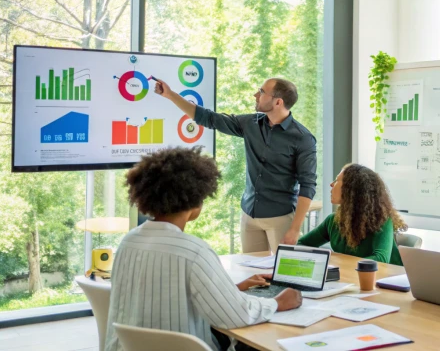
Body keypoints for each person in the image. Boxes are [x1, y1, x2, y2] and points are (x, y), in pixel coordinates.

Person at [104, 147, 302, 351]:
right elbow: (236, 315)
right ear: (196, 201)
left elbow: (163, 295)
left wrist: (230, 290)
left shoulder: (129, 241)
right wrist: (277, 302)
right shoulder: (194, 251)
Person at [155, 77, 317, 253]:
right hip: (249, 215)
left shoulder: (302, 138)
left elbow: (307, 186)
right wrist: (170, 95)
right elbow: (209, 118)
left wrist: (294, 229)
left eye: (262, 92)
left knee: (285, 276)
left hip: (281, 218)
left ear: (278, 102)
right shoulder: (250, 124)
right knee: (252, 273)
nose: (256, 95)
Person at [298, 164, 407, 265]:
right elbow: (301, 245)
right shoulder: (332, 221)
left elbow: (381, 259)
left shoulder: (382, 221)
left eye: (337, 180)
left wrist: (338, 262)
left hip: (386, 280)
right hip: (351, 278)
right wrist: (322, 261)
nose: (331, 184)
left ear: (350, 189)